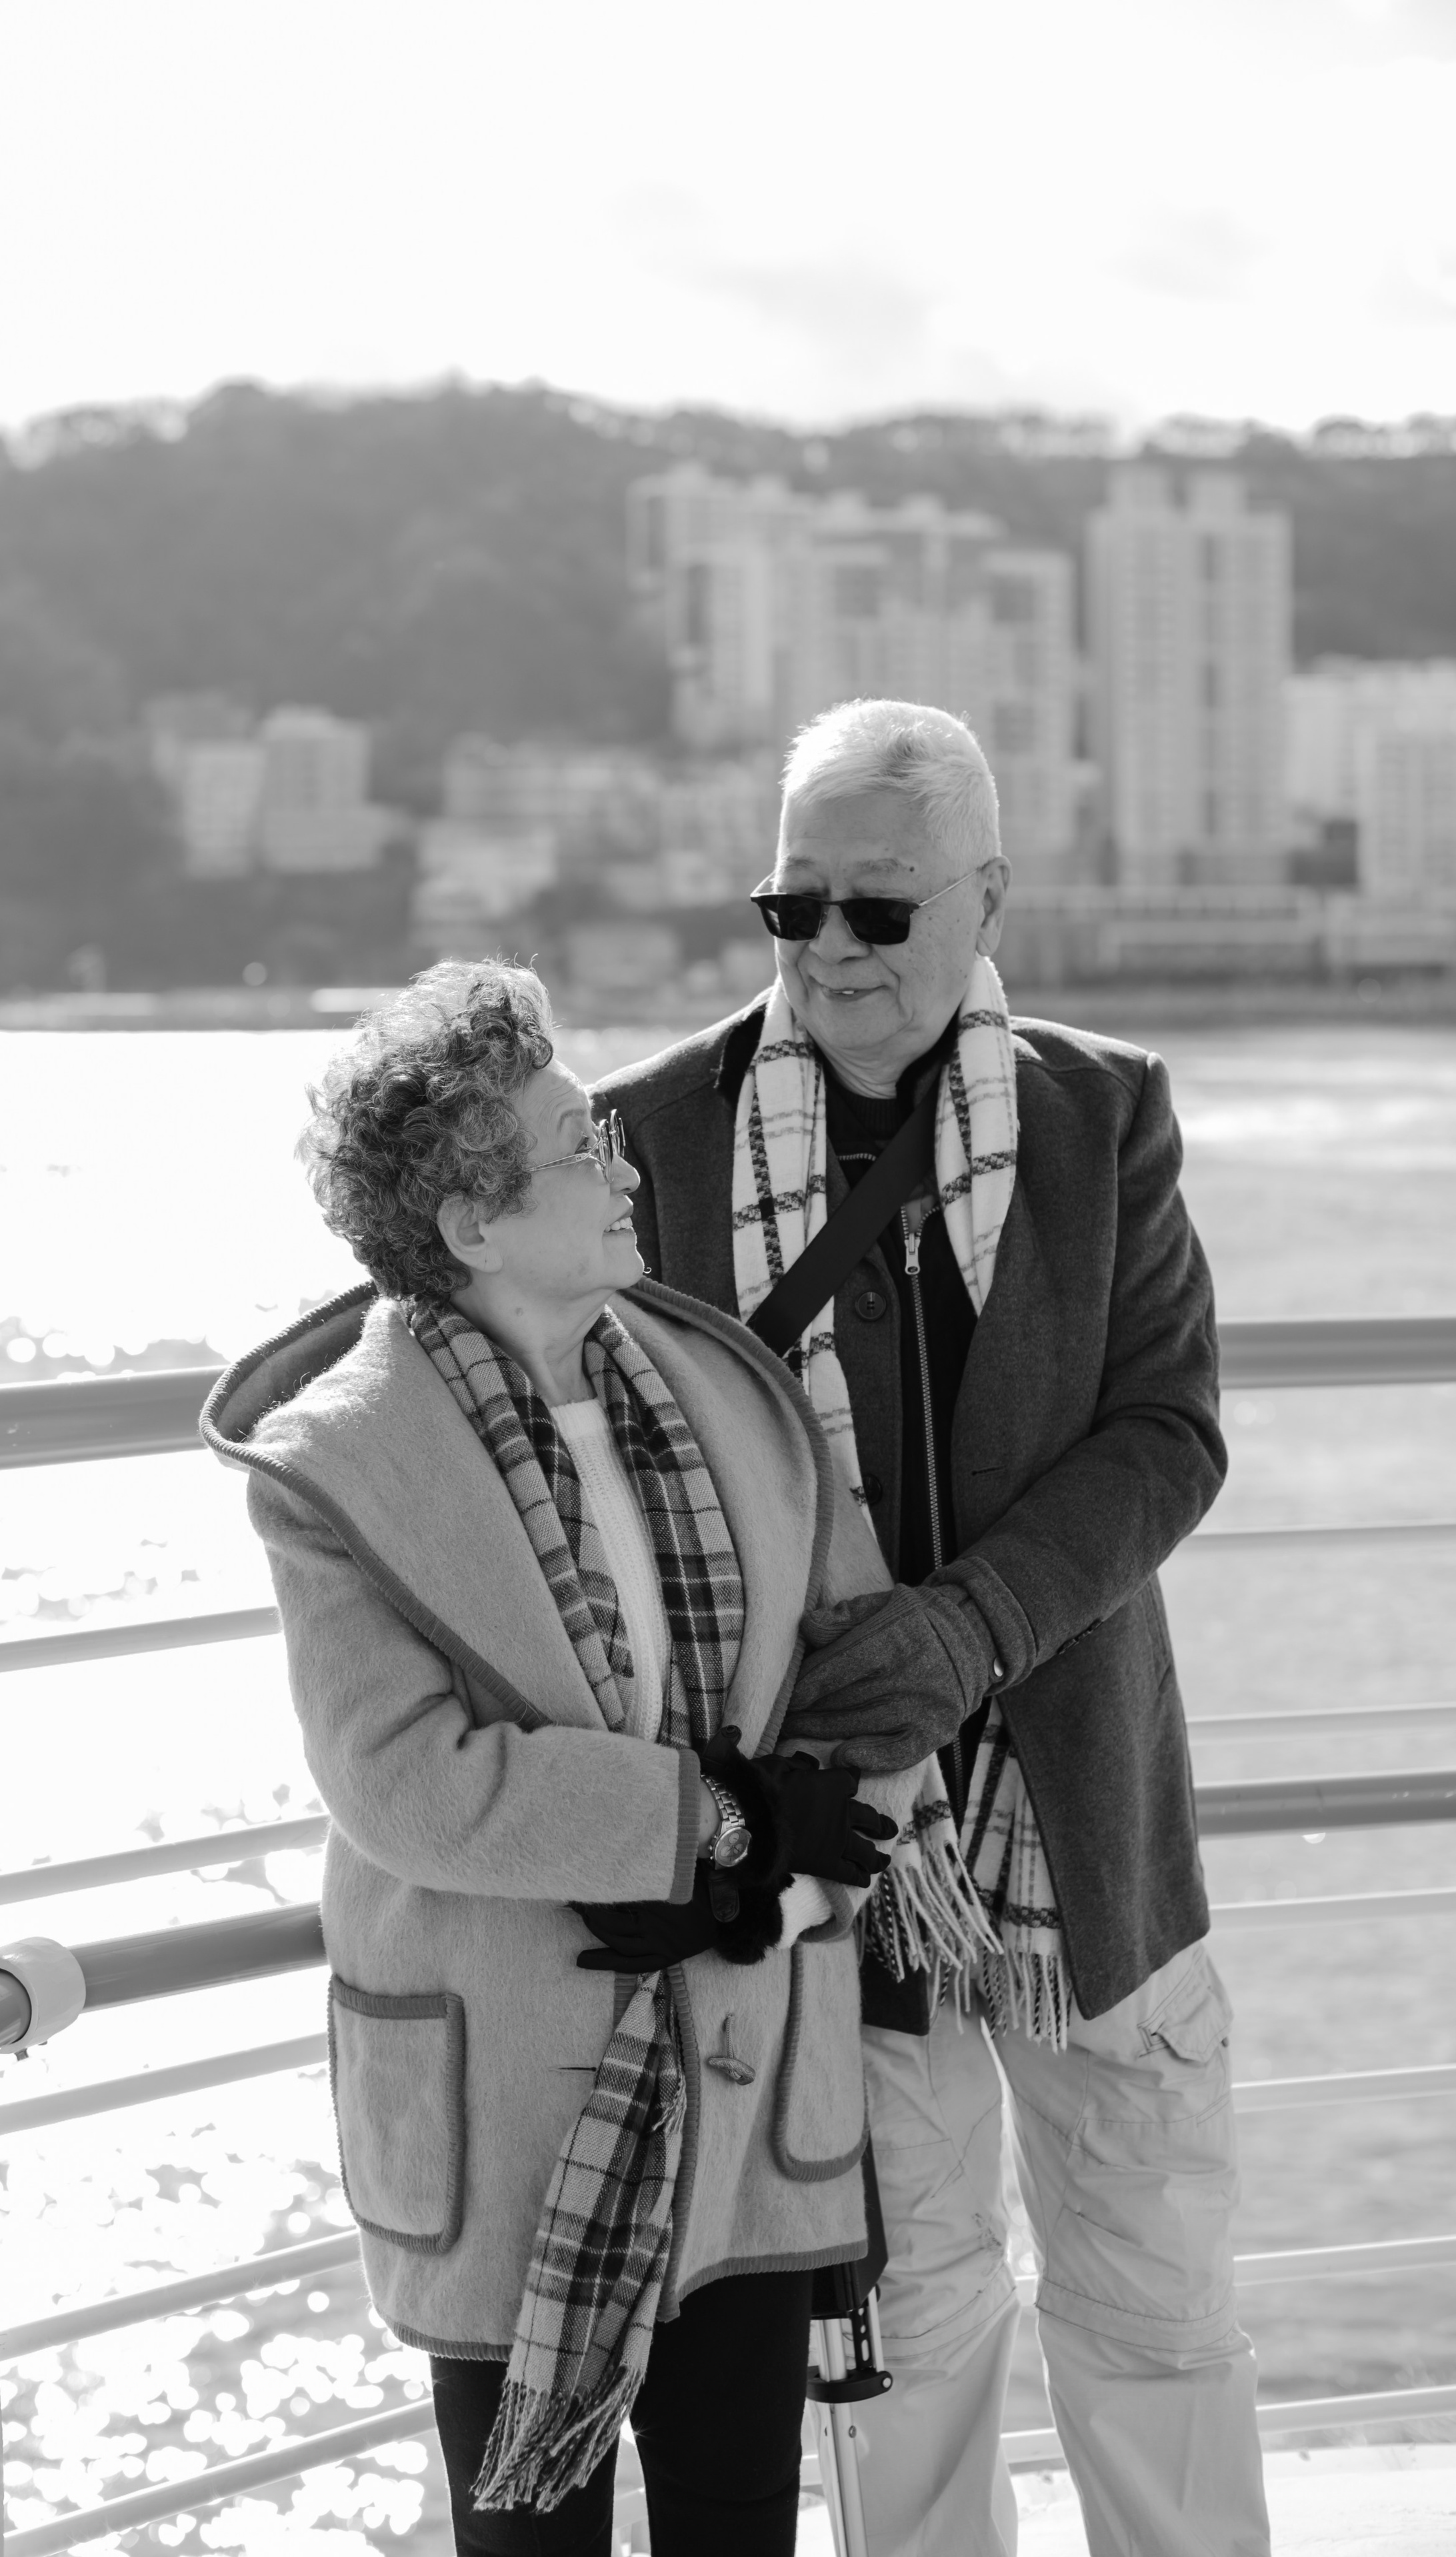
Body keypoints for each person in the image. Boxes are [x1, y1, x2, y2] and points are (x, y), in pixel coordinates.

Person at [592, 699, 1273, 2557]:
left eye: (877, 911)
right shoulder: (646, 1136)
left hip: (1083, 1825)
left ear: (989, 897)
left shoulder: (1103, 1109)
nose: (827, 949)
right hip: (825, 1846)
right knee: (904, 2315)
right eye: (788, 905)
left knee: (1153, 2293)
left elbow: (1170, 1429)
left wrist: (970, 1626)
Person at [203, 959, 897, 2557]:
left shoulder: (721, 1382)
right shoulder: (336, 1466)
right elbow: (409, 1782)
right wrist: (716, 1819)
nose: (623, 1166)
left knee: (739, 2523)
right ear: (468, 1220)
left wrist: (786, 1883)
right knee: (530, 2537)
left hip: (737, 2059)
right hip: (515, 2107)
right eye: (581, 1144)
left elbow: (854, 1667)